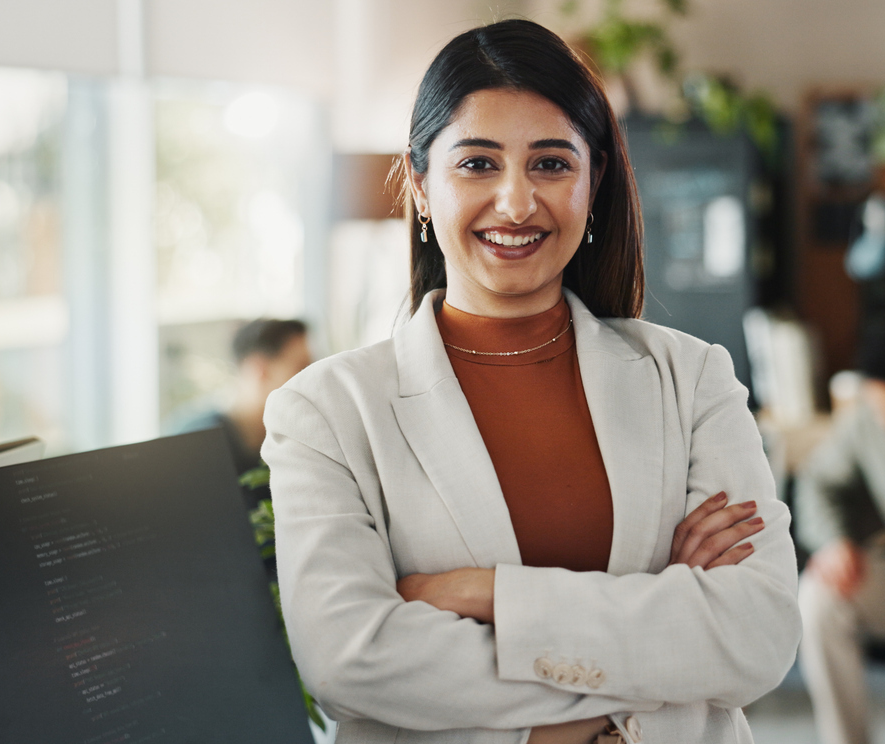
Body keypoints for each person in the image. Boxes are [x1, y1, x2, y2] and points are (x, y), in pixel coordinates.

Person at [261, 19, 800, 744]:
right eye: (478, 165)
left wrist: (487, 596)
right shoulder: (325, 412)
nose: (516, 204)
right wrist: (638, 673)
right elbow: (351, 659)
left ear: (594, 178)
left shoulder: (691, 379)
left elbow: (756, 637)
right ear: (420, 184)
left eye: (550, 164)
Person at [795, 319, 885, 744]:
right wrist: (834, 541)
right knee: (818, 598)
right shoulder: (866, 419)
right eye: (883, 407)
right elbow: (819, 480)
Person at [174, 318, 312, 505]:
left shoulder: (296, 440)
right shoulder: (195, 442)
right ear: (261, 370)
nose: (311, 380)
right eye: (301, 368)